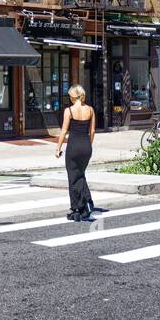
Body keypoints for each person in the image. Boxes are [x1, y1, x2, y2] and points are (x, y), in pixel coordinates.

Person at [55, 84, 96, 221]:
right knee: (80, 175)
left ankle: (78, 208)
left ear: (73, 96)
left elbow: (64, 131)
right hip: (86, 146)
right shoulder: (90, 110)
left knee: (73, 178)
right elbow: (92, 131)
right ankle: (83, 206)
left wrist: (58, 148)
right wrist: (88, 145)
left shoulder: (69, 111)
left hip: (74, 146)